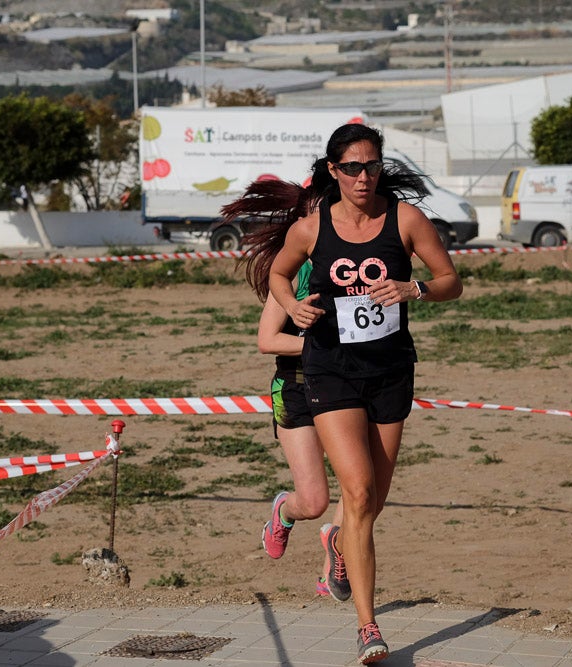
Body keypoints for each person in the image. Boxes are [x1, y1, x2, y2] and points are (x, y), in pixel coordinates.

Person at [236, 122, 463, 664]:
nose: (365, 177)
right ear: (333, 171)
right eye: (353, 168)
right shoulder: (310, 230)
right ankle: (368, 627)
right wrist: (292, 307)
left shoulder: (406, 219)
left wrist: (418, 288)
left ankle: (340, 544)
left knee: (371, 503)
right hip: (329, 371)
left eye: (373, 166)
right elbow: (279, 277)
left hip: (389, 372)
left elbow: (452, 280)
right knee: (355, 493)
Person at [255, 260, 344, 596]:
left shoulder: (358, 266)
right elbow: (267, 340)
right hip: (296, 389)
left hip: (344, 389)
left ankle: (330, 575)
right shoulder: (294, 272)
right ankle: (284, 510)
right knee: (313, 501)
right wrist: (325, 350)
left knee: (357, 486)